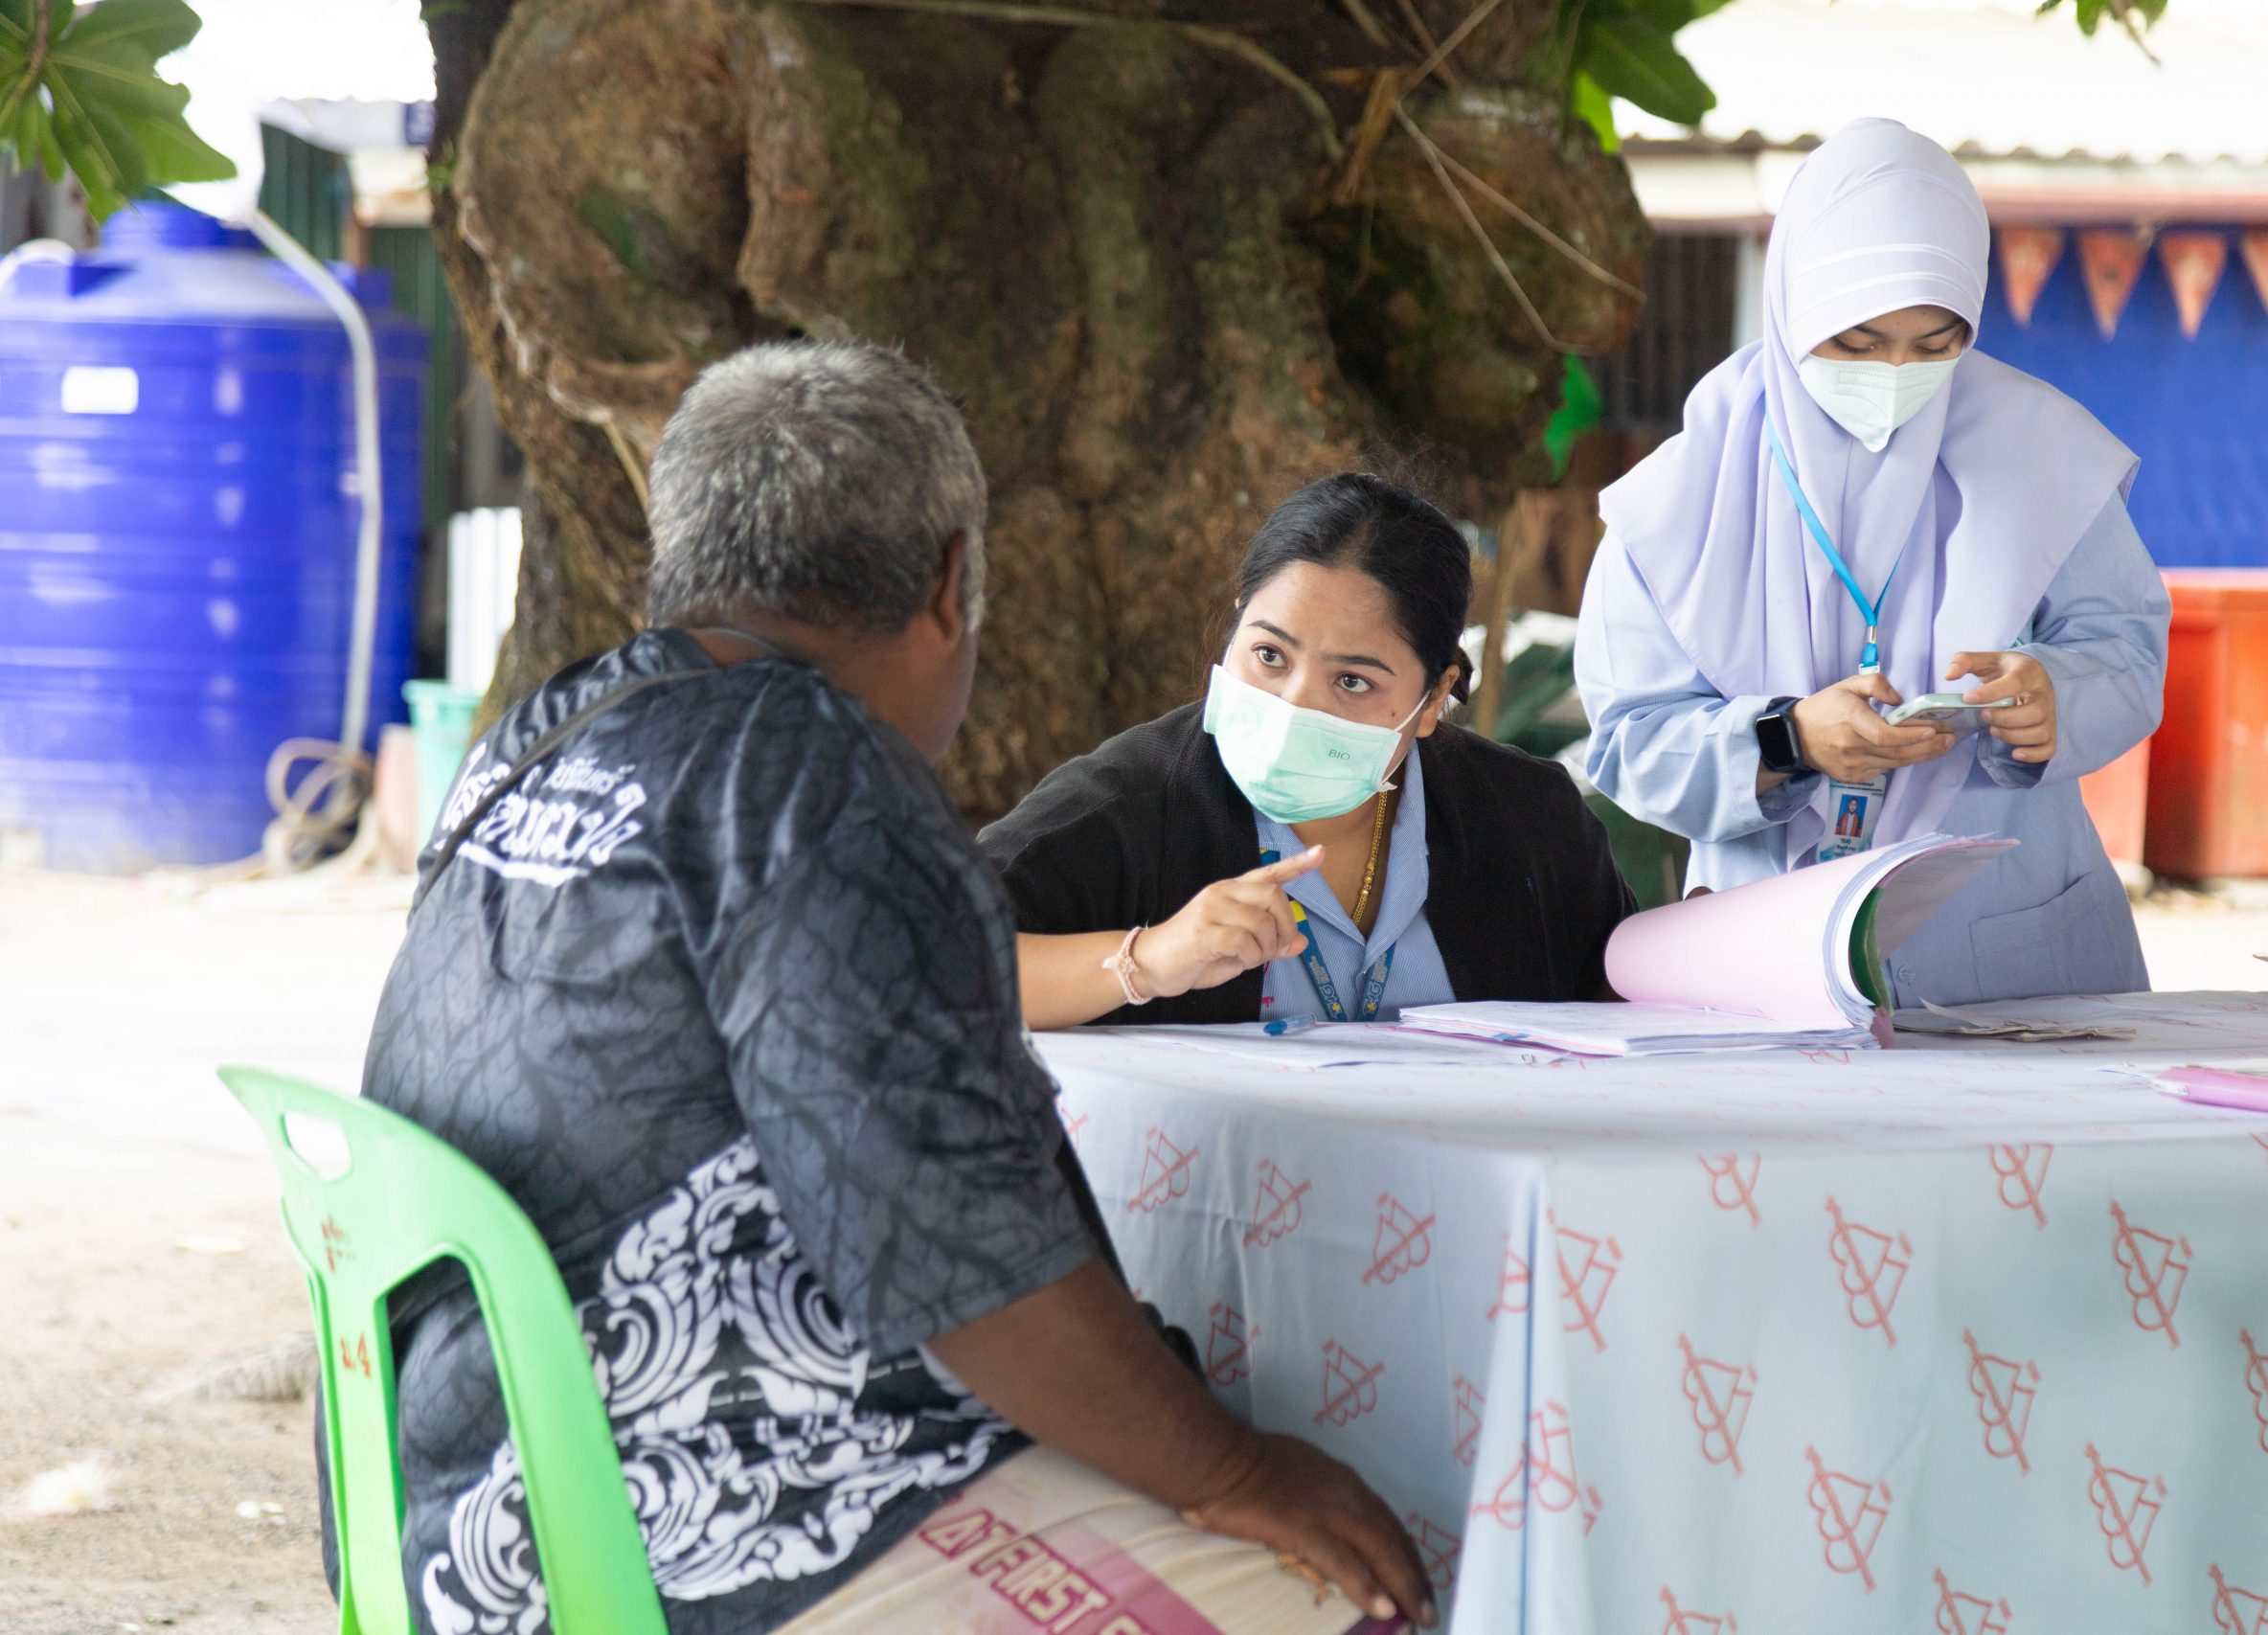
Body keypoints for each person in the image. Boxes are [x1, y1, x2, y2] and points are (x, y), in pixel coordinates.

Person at [339, 340, 1436, 1635]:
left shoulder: (548, 732)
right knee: (1355, 1591)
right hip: (663, 1525)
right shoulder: (821, 784)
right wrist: (1233, 1470)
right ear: (951, 583)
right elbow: (961, 1260)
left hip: (456, 1493)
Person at [1575, 119, 2169, 1006]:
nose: (1893, 371)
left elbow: (2127, 648)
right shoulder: (1678, 499)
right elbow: (1629, 739)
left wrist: (2057, 696)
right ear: (1793, 307)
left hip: (2014, 947)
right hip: (1765, 956)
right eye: (1855, 343)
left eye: (1934, 345)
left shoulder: (2046, 453)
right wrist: (1787, 740)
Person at [982, 473, 1634, 1030]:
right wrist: (1144, 960)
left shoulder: (1531, 822)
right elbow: (941, 960)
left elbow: (1624, 998)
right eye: (1269, 655)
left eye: (1352, 681)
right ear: (1237, 619)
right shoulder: (1128, 806)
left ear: (1434, 697)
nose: (1294, 705)